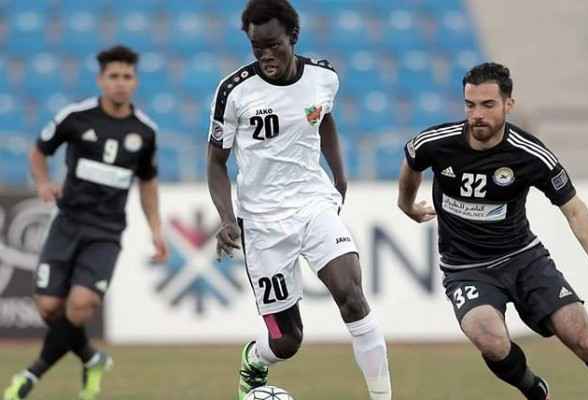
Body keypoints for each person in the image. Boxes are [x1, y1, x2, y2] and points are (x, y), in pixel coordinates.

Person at [397, 62, 588, 400]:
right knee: (489, 338)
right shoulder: (437, 142)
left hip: (523, 259)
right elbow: (412, 161)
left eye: (488, 105)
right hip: (465, 268)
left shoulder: (529, 154)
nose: (477, 115)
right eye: (470, 105)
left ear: (508, 104)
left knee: (582, 336)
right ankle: (534, 389)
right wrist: (406, 204)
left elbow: (574, 209)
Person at [206, 1, 391, 399]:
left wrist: (339, 176)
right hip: (262, 224)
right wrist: (226, 218)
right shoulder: (234, 91)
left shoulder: (324, 77)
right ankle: (255, 359)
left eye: (273, 45)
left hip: (312, 204)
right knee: (287, 340)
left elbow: (323, 118)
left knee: (352, 297)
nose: (265, 55)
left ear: (292, 37)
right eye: (256, 47)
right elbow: (216, 161)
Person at [3, 45, 168, 400]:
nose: (120, 83)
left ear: (136, 81)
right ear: (101, 80)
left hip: (106, 232)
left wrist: (156, 230)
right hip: (67, 223)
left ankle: (31, 375)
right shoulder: (76, 117)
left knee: (80, 305)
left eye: (127, 76)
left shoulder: (145, 132)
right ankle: (92, 359)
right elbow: (39, 151)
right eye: (114, 76)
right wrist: (43, 183)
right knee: (48, 306)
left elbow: (148, 184)